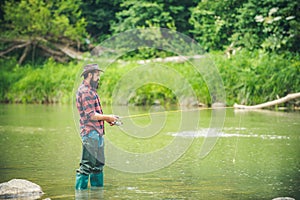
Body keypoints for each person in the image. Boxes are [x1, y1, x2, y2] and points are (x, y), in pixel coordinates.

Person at [75, 63, 118, 190]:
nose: (99, 77)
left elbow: (96, 114)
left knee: (98, 166)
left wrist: (107, 119)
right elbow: (91, 115)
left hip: (97, 133)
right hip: (90, 133)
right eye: (97, 75)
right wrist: (107, 117)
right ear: (89, 75)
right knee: (86, 167)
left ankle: (97, 195)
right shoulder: (85, 91)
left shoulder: (91, 91)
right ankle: (80, 195)